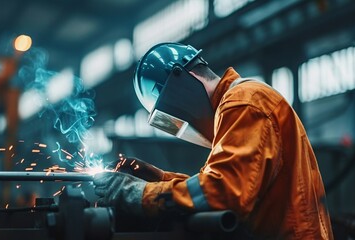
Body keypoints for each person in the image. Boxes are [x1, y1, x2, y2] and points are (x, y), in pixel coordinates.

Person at [93, 42, 334, 239]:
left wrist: (141, 193)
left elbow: (223, 192)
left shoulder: (243, 102)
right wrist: (159, 178)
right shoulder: (235, 107)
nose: (179, 123)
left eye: (170, 116)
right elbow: (219, 183)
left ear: (182, 82)